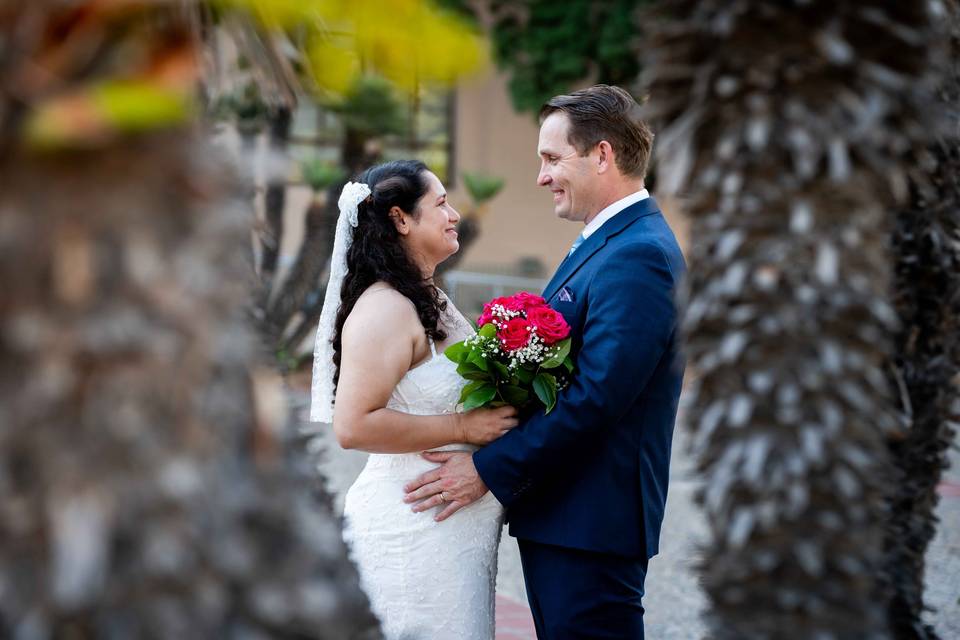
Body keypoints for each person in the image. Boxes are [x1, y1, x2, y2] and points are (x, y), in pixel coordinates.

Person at [403, 85, 687, 639]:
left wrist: (488, 470)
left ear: (602, 155)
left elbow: (597, 398)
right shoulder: (606, 242)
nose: (541, 176)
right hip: (567, 516)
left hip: (591, 522)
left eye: (553, 158)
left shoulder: (639, 255)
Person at [310, 160, 518, 640]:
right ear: (401, 219)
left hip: (452, 537)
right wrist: (464, 429)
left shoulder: (430, 298)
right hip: (411, 529)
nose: (454, 214)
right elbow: (353, 426)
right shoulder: (384, 307)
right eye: (441, 203)